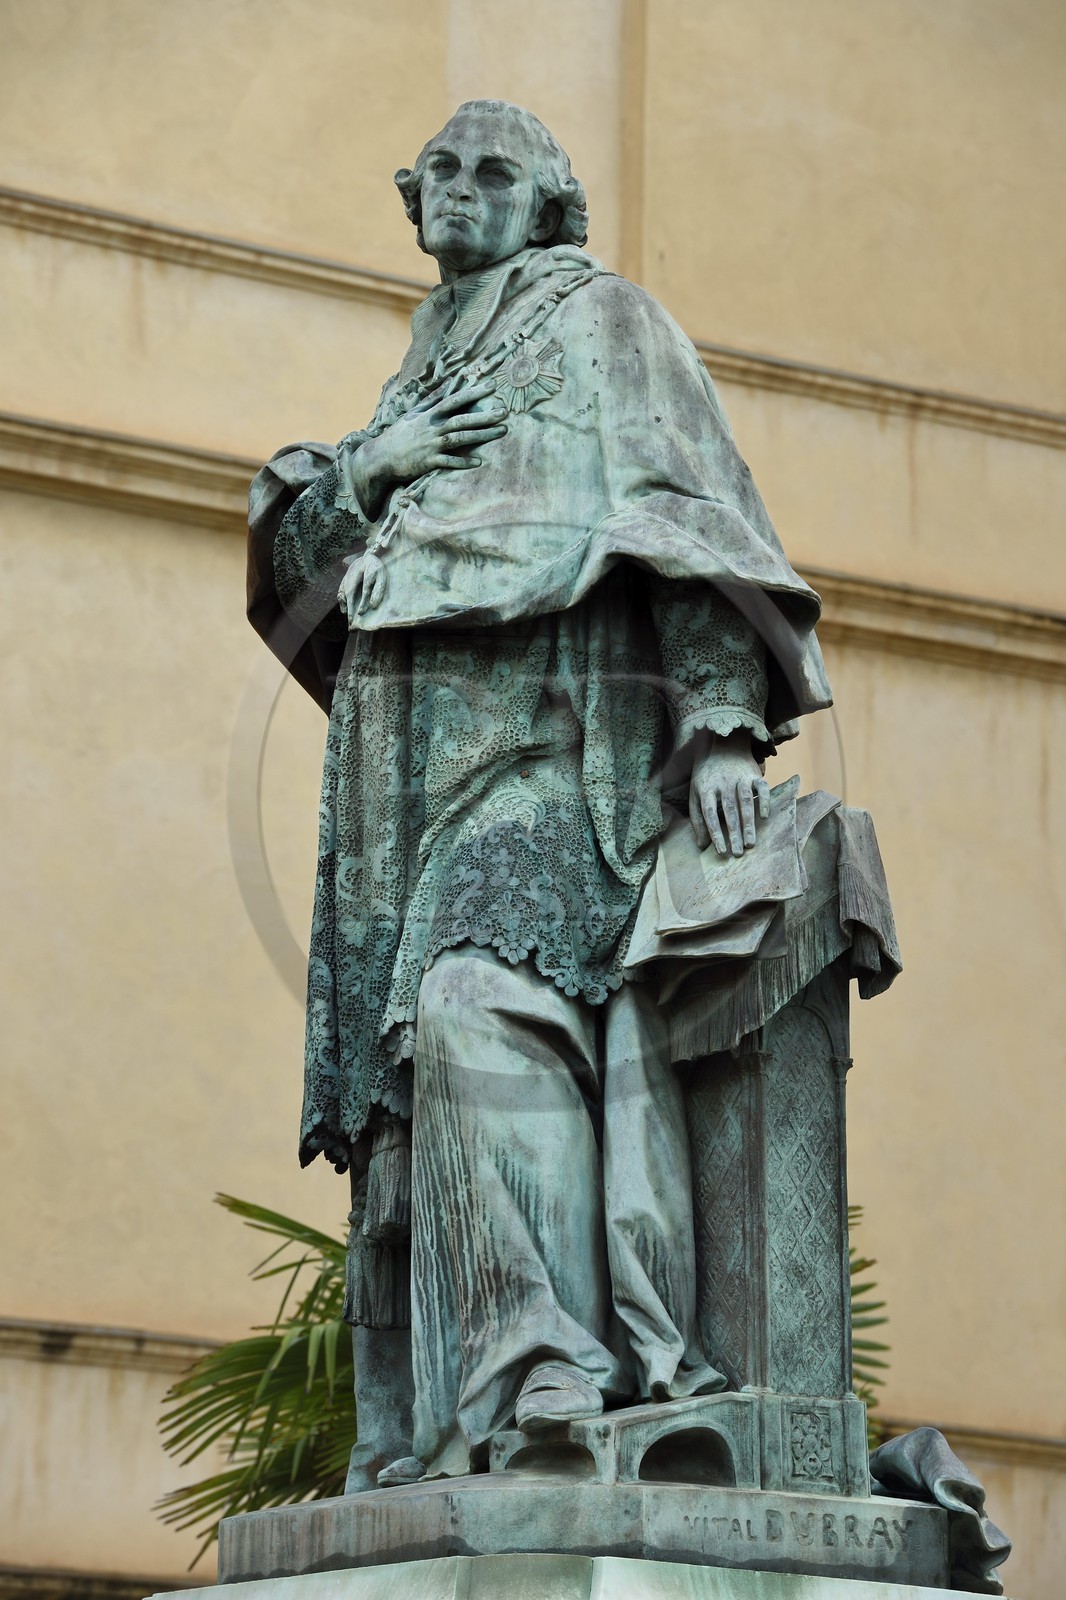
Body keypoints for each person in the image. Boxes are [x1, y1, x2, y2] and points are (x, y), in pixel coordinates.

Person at [247, 99, 831, 1484]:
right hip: (401, 772)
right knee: (427, 1069)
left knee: (468, 1007)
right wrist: (360, 477)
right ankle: (487, 1412)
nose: (459, 187)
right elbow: (303, 597)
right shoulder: (419, 365)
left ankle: (546, 1369)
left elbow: (677, 510)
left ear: (546, 205)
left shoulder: (603, 322)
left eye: (493, 170)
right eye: (438, 169)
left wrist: (719, 722)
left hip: (552, 748)